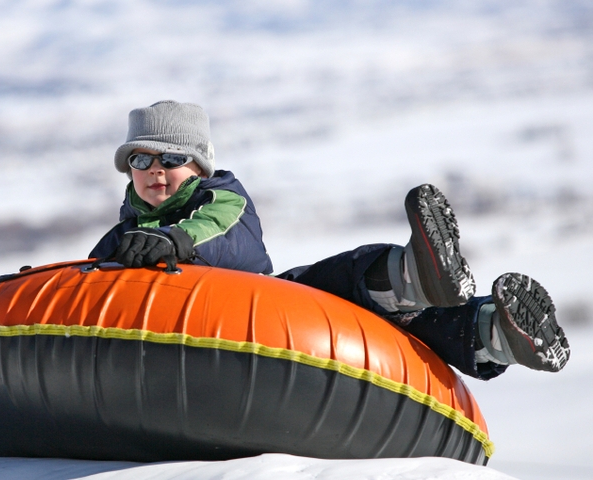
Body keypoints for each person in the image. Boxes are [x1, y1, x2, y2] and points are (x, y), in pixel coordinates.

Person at [90, 100, 571, 380]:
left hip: (252, 318)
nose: (155, 170)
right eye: (140, 160)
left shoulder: (222, 201)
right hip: (168, 351)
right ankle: (487, 334)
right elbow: (79, 286)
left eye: (170, 158)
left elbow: (226, 240)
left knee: (338, 281)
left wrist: (175, 241)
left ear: (197, 166)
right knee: (390, 328)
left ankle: (416, 278)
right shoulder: (121, 237)